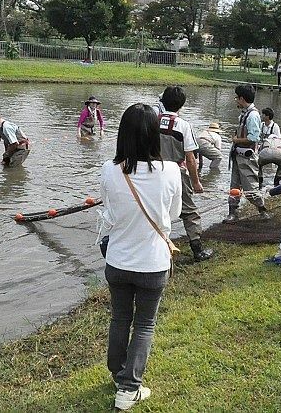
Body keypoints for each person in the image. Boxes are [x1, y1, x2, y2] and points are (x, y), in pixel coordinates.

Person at [99, 103, 181, 411]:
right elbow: (171, 216)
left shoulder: (109, 169)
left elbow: (109, 212)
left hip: (117, 260)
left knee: (120, 317)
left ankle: (118, 374)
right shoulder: (171, 170)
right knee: (145, 324)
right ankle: (129, 387)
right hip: (152, 263)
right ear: (154, 135)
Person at [155, 87, 213, 262]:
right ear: (182, 104)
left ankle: (156, 247)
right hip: (177, 174)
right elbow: (190, 158)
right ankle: (197, 250)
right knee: (189, 212)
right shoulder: (183, 125)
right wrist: (196, 182)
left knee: (157, 209)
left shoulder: (152, 121)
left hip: (155, 172)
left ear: (162, 101)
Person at [223, 84, 270, 223]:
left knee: (250, 187)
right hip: (238, 155)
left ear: (242, 98)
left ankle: (262, 211)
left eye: (237, 98)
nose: (236, 100)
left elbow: (254, 137)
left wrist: (237, 139)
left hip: (247, 157)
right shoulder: (244, 113)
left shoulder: (253, 115)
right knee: (234, 186)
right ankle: (232, 213)